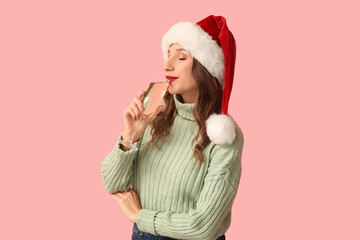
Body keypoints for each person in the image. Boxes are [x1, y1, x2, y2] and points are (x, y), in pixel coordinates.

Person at [101, 15, 244, 240]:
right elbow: (112, 183)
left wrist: (141, 216)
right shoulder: (153, 110)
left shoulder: (223, 136)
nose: (166, 65)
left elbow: (204, 226)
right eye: (168, 55)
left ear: (205, 67)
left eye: (181, 58)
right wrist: (131, 135)